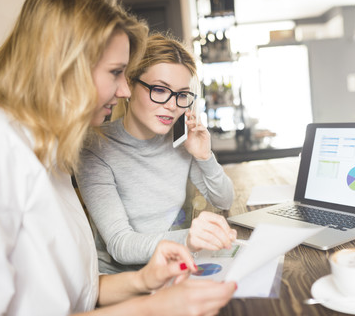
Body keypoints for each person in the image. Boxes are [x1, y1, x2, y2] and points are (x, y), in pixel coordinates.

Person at [0, 0, 236, 315]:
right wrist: (155, 306)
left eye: (182, 95)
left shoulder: (53, 154)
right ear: (64, 66)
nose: (124, 90)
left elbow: (81, 292)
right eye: (116, 72)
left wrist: (145, 280)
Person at [75, 33, 237, 274]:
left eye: (182, 95)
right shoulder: (95, 146)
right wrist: (189, 239)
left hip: (172, 268)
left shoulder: (179, 139)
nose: (172, 105)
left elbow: (224, 200)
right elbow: (120, 244)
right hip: (122, 281)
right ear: (129, 85)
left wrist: (204, 156)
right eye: (160, 90)